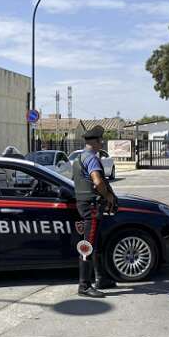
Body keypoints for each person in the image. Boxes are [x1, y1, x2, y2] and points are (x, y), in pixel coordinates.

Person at [72, 125, 118, 298]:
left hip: (84, 204)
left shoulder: (79, 159)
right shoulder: (91, 159)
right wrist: (109, 197)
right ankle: (84, 286)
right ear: (96, 141)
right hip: (91, 206)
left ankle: (101, 278)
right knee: (88, 245)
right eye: (101, 140)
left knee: (95, 243)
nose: (102, 143)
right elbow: (98, 182)